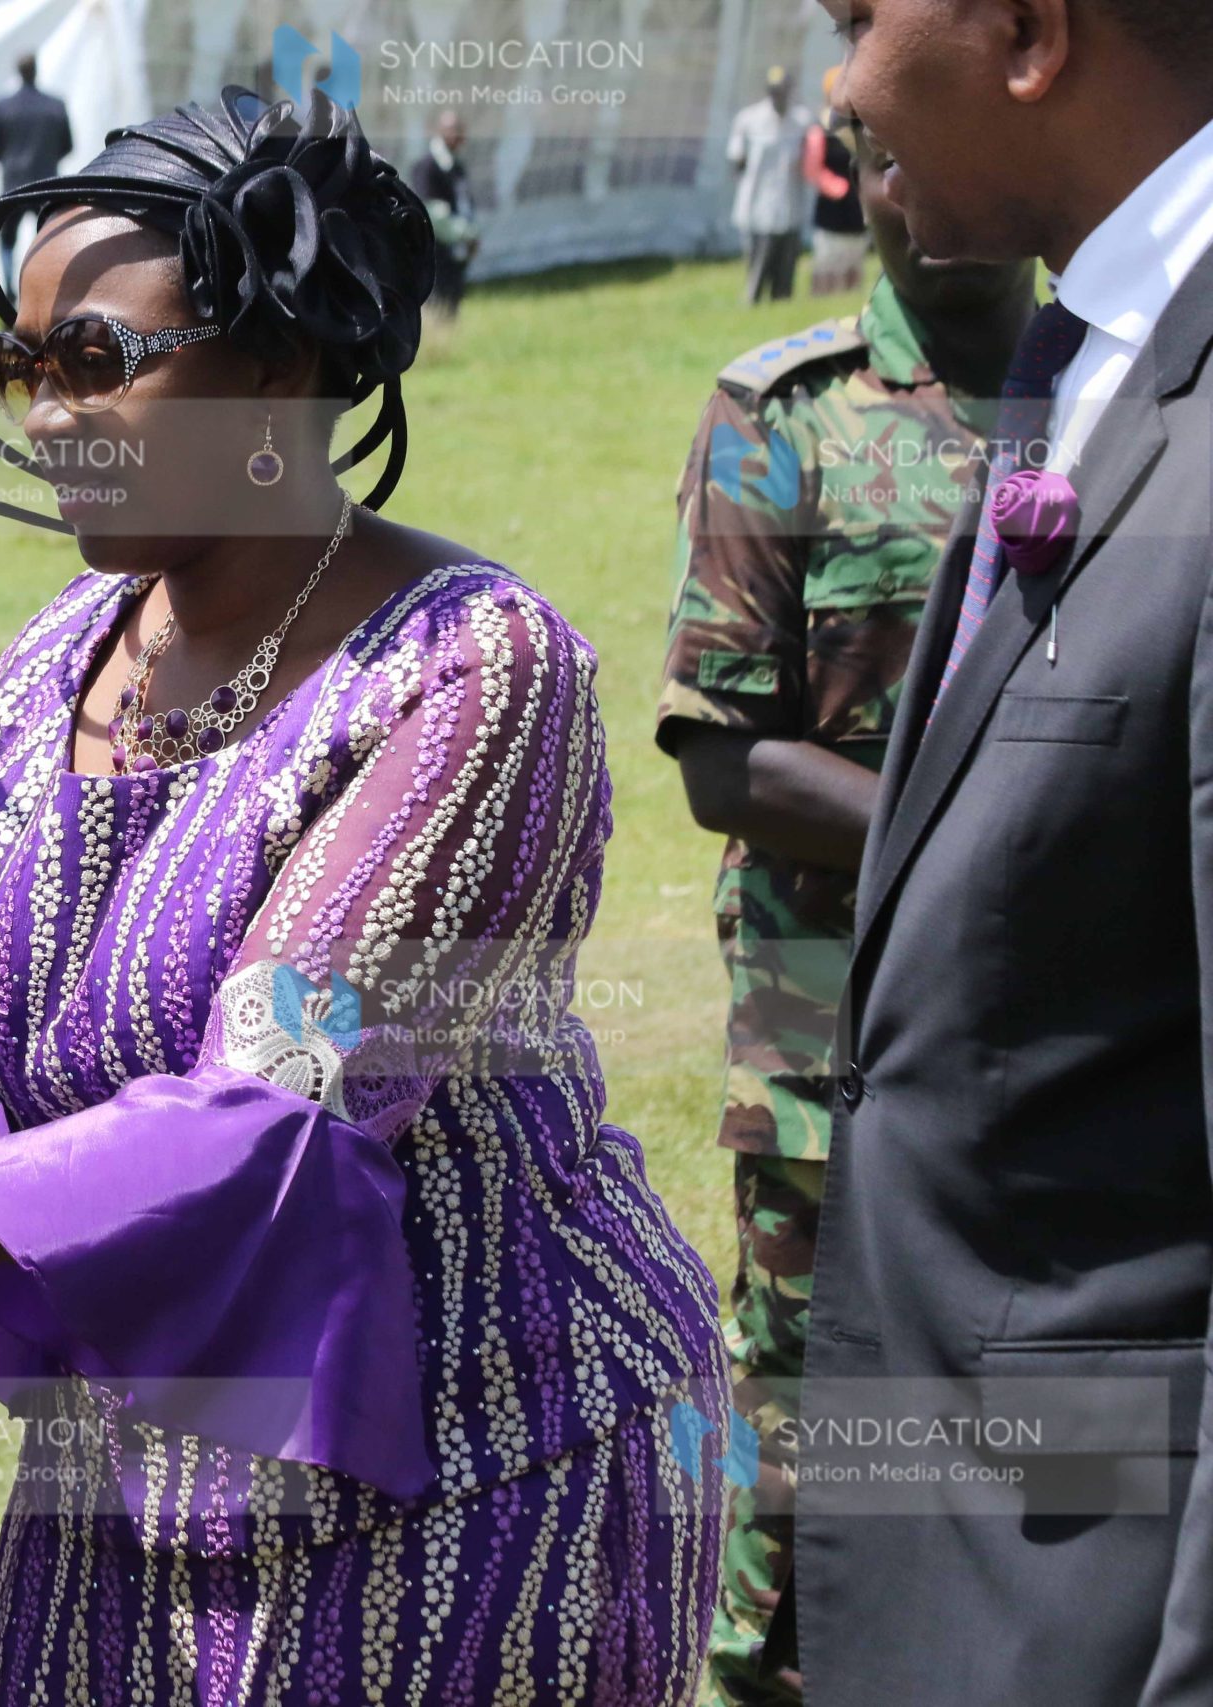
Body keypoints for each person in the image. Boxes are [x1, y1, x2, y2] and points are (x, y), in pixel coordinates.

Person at [0, 86, 730, 1704]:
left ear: (278, 370)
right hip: (120, 1500)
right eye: (24, 365)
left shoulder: (465, 673)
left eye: (98, 360)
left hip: (472, 1490)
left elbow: (263, 1127)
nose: (46, 414)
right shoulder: (58, 660)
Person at [800, 0, 1213, 1700]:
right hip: (980, 1540)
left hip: (1105, 1603)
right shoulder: (1088, 351)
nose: (838, 84)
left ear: (1034, 32)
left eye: (854, 17)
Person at [657, 115, 1035, 1707]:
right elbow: (724, 758)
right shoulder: (778, 415)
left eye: (921, 156)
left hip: (1069, 1004)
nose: (911, 196)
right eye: (874, 164)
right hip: (837, 1022)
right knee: (816, 1414)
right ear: (846, 178)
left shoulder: (1125, 393)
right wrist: (984, 834)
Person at [0, 52, 72, 283]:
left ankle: (9, 289)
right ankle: (42, 285)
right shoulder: (55, 106)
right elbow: (67, 145)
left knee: (7, 241)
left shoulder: (1, 107)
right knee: (46, 238)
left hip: (14, 182)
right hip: (45, 182)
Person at [728, 68, 809, 306]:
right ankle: (752, 301)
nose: (779, 97)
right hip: (757, 204)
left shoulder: (802, 121)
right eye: (775, 92)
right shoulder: (749, 119)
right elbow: (736, 159)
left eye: (783, 92)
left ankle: (781, 303)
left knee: (786, 268)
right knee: (758, 262)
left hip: (791, 203)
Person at [409, 108, 479, 318]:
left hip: (455, 254)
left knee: (452, 309)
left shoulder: (456, 166)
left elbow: (463, 203)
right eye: (454, 130)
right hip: (437, 254)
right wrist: (467, 234)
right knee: (437, 310)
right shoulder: (427, 167)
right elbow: (433, 214)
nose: (459, 136)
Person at [801, 70, 865, 295]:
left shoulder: (860, 124)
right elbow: (812, 168)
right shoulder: (820, 126)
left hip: (857, 204)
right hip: (832, 206)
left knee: (854, 259)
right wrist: (836, 187)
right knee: (828, 262)